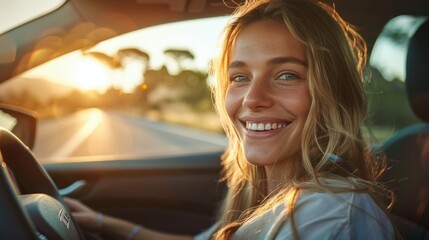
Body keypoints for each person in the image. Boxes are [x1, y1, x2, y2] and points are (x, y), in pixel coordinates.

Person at [65, 0, 397, 239]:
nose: (253, 99)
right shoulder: (261, 193)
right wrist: (102, 224)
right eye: (239, 77)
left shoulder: (330, 215)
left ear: (333, 91)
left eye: (286, 75)